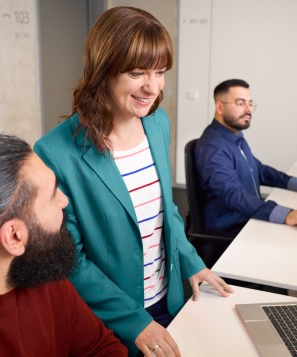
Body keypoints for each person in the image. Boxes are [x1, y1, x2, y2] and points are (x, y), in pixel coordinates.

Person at [34, 6, 233, 357]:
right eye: (137, 72)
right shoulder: (55, 152)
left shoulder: (158, 124)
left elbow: (165, 210)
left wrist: (192, 262)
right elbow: (71, 260)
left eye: (160, 72)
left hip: (169, 300)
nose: (152, 88)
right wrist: (133, 320)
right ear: (103, 71)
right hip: (114, 318)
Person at [0, 133, 128, 356]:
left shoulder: (41, 267)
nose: (64, 200)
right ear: (14, 237)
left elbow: (101, 348)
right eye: (52, 195)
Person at [195, 78, 297, 265]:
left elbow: (259, 169)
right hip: (232, 232)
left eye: (250, 103)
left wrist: (293, 182)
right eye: (240, 103)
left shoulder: (235, 137)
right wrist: (286, 214)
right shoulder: (213, 147)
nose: (248, 109)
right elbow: (232, 195)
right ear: (219, 107)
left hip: (249, 219)